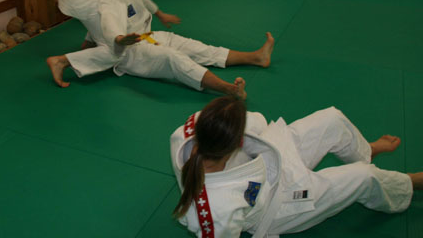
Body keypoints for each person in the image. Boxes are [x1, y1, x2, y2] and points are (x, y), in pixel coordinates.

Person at [170, 97, 423, 238]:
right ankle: (409, 182)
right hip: (275, 205)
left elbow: (257, 126)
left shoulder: (190, 128)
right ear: (238, 143)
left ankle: (365, 151)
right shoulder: (215, 207)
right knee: (363, 177)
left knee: (332, 119)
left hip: (270, 156)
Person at [48, 0, 275, 99]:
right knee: (173, 58)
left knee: (197, 48)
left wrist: (160, 14)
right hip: (131, 51)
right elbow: (108, 24)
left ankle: (255, 57)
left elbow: (144, 2)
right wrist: (119, 39)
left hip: (150, 36)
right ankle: (228, 89)